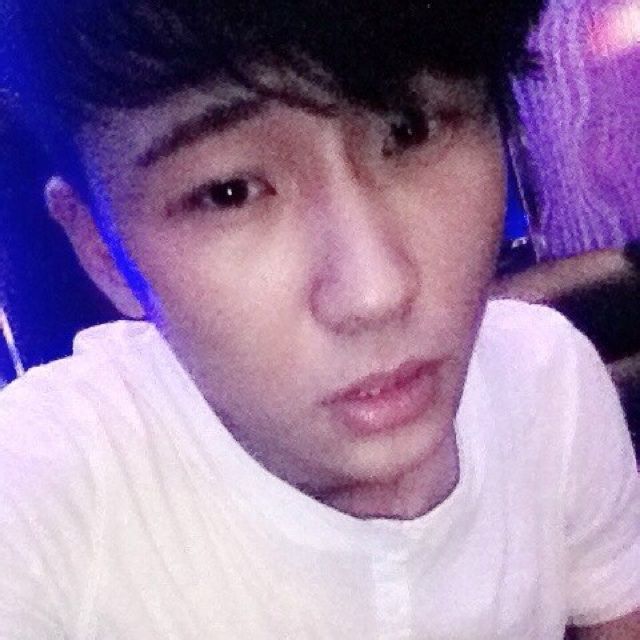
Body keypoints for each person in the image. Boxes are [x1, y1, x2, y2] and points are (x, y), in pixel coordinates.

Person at [0, 2, 638, 638]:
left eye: (409, 130)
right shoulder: (47, 488)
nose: (374, 293)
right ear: (101, 250)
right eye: (229, 191)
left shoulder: (549, 385)